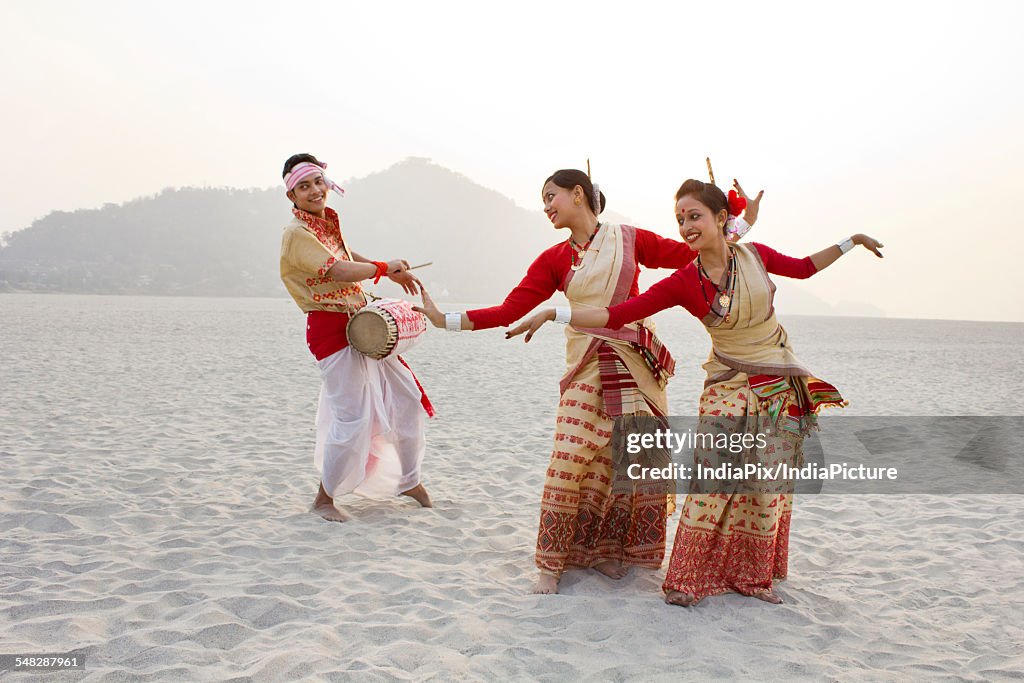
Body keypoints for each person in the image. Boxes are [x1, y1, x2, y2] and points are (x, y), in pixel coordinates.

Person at [508, 178, 883, 604]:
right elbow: (619, 312)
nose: (685, 226)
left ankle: (752, 576)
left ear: (722, 218)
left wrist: (850, 241)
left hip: (777, 378)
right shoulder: (685, 280)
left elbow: (804, 267)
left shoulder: (755, 256)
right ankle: (686, 579)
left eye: (694, 216)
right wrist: (555, 313)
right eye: (680, 219)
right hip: (726, 379)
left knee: (765, 482)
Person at [415, 169, 761, 594]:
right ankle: (552, 563)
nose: (546, 207)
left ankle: (608, 553)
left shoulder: (631, 239)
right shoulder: (554, 259)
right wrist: (442, 319)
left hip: (636, 361)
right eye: (543, 200)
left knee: (629, 462)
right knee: (570, 458)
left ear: (578, 194)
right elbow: (510, 309)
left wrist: (739, 219)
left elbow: (694, 248)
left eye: (551, 196)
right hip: (587, 360)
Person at [278, 153, 433, 522]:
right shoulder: (296, 233)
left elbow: (346, 254)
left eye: (317, 182)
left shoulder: (324, 223)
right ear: (292, 196)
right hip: (330, 330)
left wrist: (386, 270)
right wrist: (382, 268)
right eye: (304, 186)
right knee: (352, 418)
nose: (315, 190)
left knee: (407, 397)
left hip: (361, 322)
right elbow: (339, 268)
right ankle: (324, 499)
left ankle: (409, 480)